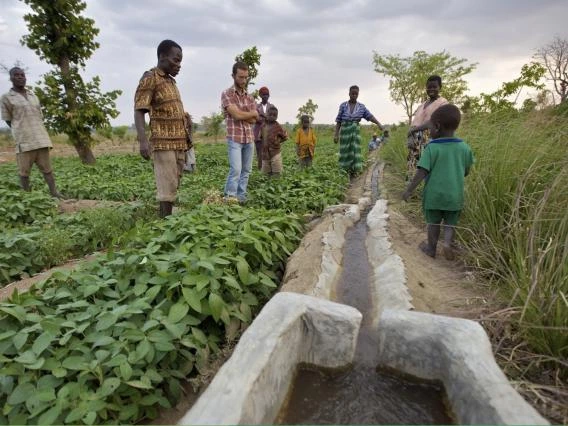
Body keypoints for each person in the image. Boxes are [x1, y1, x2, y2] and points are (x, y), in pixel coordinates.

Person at [402, 104, 474, 261]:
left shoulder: (431, 148)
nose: (429, 131)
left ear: (437, 126)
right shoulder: (464, 148)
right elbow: (466, 170)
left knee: (433, 223)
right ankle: (448, 244)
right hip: (455, 196)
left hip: (434, 196)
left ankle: (431, 249)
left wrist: (409, 190)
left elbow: (422, 172)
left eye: (430, 128)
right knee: (450, 223)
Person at [134, 39, 191, 218]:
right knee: (166, 185)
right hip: (163, 142)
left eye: (180, 61)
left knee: (173, 183)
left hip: (179, 143)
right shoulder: (150, 77)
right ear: (162, 57)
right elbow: (139, 110)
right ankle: (164, 225)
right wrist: (143, 141)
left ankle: (165, 219)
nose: (179, 65)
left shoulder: (170, 82)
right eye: (176, 60)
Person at [1, 67, 63, 198]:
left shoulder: (33, 96)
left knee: (47, 170)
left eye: (22, 75)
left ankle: (54, 193)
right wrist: (20, 129)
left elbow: (39, 115)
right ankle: (27, 197)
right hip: (24, 140)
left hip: (41, 138)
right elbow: (8, 120)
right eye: (16, 75)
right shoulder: (7, 97)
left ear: (25, 77)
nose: (20, 77)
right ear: (11, 78)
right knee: (24, 172)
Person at [221, 61, 258, 203]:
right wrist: (249, 113)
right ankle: (230, 197)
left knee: (246, 171)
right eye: (240, 77)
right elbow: (236, 115)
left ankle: (241, 197)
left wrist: (242, 114)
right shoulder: (227, 94)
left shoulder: (249, 97)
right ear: (233, 76)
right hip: (234, 138)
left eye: (245, 77)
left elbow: (255, 119)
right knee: (236, 169)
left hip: (249, 138)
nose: (243, 80)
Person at [334, 85, 384, 176]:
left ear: (358, 94)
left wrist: (379, 124)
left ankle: (355, 171)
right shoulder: (343, 106)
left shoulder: (361, 107)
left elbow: (370, 116)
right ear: (349, 93)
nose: (354, 95)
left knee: (355, 150)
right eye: (352, 93)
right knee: (344, 152)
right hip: (345, 133)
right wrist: (336, 134)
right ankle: (343, 171)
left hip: (355, 132)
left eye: (356, 94)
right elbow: (338, 121)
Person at [406, 75, 448, 178]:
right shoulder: (422, 105)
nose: (431, 89)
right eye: (429, 87)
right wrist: (411, 135)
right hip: (416, 140)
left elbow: (434, 121)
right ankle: (413, 192)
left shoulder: (443, 103)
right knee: (414, 166)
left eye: (434, 87)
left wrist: (415, 130)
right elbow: (415, 122)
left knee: (426, 167)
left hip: (431, 139)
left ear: (440, 87)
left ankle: (426, 191)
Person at [260, 105, 287, 177]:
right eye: (270, 114)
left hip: (275, 152)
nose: (272, 116)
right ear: (267, 115)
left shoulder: (278, 126)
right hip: (265, 152)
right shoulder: (263, 126)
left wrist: (278, 141)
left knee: (276, 171)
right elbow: (260, 137)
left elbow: (285, 137)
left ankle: (276, 184)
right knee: (266, 172)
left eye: (274, 115)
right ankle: (267, 184)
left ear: (277, 117)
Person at [253, 86, 275, 170]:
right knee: (260, 154)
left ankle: (269, 170)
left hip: (270, 134)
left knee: (270, 153)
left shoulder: (272, 106)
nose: (265, 96)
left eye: (267, 94)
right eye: (264, 94)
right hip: (258, 134)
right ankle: (260, 170)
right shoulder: (256, 106)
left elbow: (273, 118)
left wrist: (263, 116)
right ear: (260, 95)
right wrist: (266, 118)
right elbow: (256, 118)